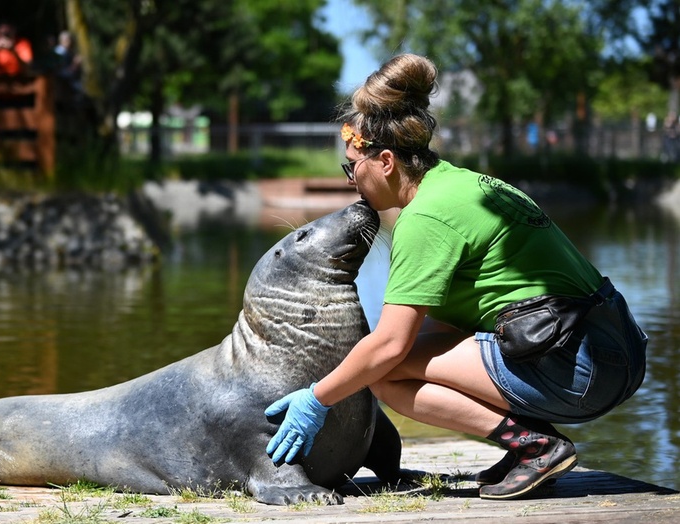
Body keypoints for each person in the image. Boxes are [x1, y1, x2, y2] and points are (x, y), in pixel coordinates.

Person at [264, 53, 648, 501]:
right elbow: (437, 328)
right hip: (610, 348)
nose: (351, 180)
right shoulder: (460, 184)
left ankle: (536, 446)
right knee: (395, 354)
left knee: (384, 374)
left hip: (581, 366)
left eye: (352, 166)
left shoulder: (426, 218)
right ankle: (525, 446)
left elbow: (390, 347)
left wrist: (317, 399)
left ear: (385, 161)